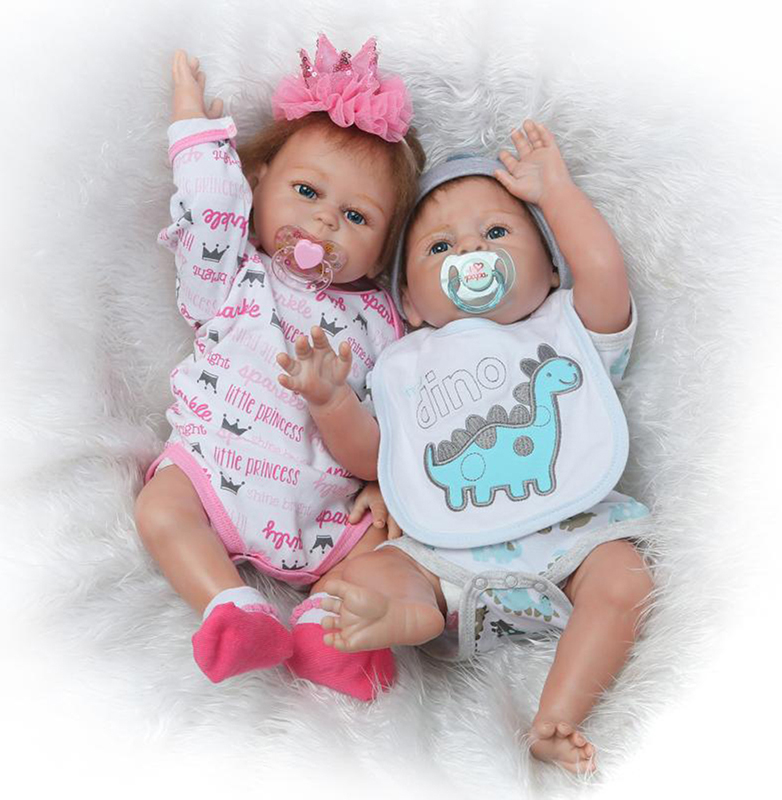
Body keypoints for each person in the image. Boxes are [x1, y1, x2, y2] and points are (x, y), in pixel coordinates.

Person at [277, 120, 654, 773]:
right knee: (363, 571)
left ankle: (557, 715)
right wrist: (331, 401)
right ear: (409, 301)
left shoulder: (567, 326)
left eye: (498, 233)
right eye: (440, 246)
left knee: (627, 578)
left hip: (571, 545)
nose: (471, 251)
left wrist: (556, 191)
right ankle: (407, 612)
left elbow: (602, 269)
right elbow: (374, 460)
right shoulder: (405, 362)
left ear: (550, 266)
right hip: (445, 563)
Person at [133, 34, 425, 702]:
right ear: (258, 183)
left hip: (326, 507)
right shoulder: (233, 275)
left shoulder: (383, 322)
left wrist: (387, 483)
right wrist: (193, 127)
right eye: (307, 191)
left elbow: (402, 427)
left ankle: (328, 633)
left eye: (356, 216)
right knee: (161, 508)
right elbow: (208, 208)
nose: (323, 222)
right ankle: (232, 609)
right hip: (213, 469)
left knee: (387, 549)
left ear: (385, 249)